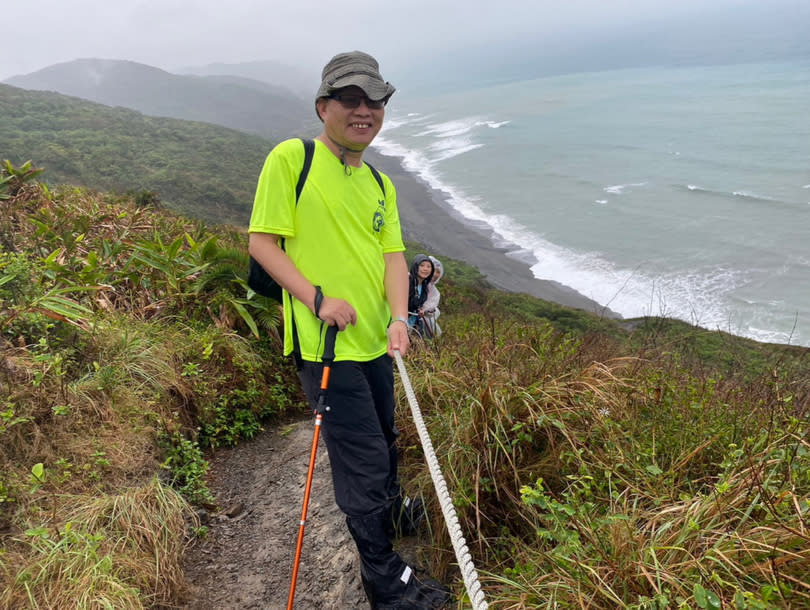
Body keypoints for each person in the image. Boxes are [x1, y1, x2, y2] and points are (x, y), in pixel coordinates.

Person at [248, 51, 451, 609]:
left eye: (375, 102)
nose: (365, 111)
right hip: (325, 348)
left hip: (374, 345)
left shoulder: (380, 183)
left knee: (384, 440)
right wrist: (316, 299)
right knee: (361, 457)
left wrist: (399, 318)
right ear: (324, 106)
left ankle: (390, 512)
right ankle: (384, 578)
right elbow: (261, 244)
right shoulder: (294, 159)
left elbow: (393, 258)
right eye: (351, 100)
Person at [407, 254, 434, 336]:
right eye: (422, 265)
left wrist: (421, 310)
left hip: (411, 325)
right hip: (397, 323)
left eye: (429, 267)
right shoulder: (407, 281)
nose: (425, 269)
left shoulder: (425, 287)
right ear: (415, 266)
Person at [422, 256, 443, 337]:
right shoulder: (411, 280)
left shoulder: (435, 292)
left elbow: (430, 307)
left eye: (438, 272)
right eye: (433, 270)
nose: (435, 274)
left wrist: (426, 310)